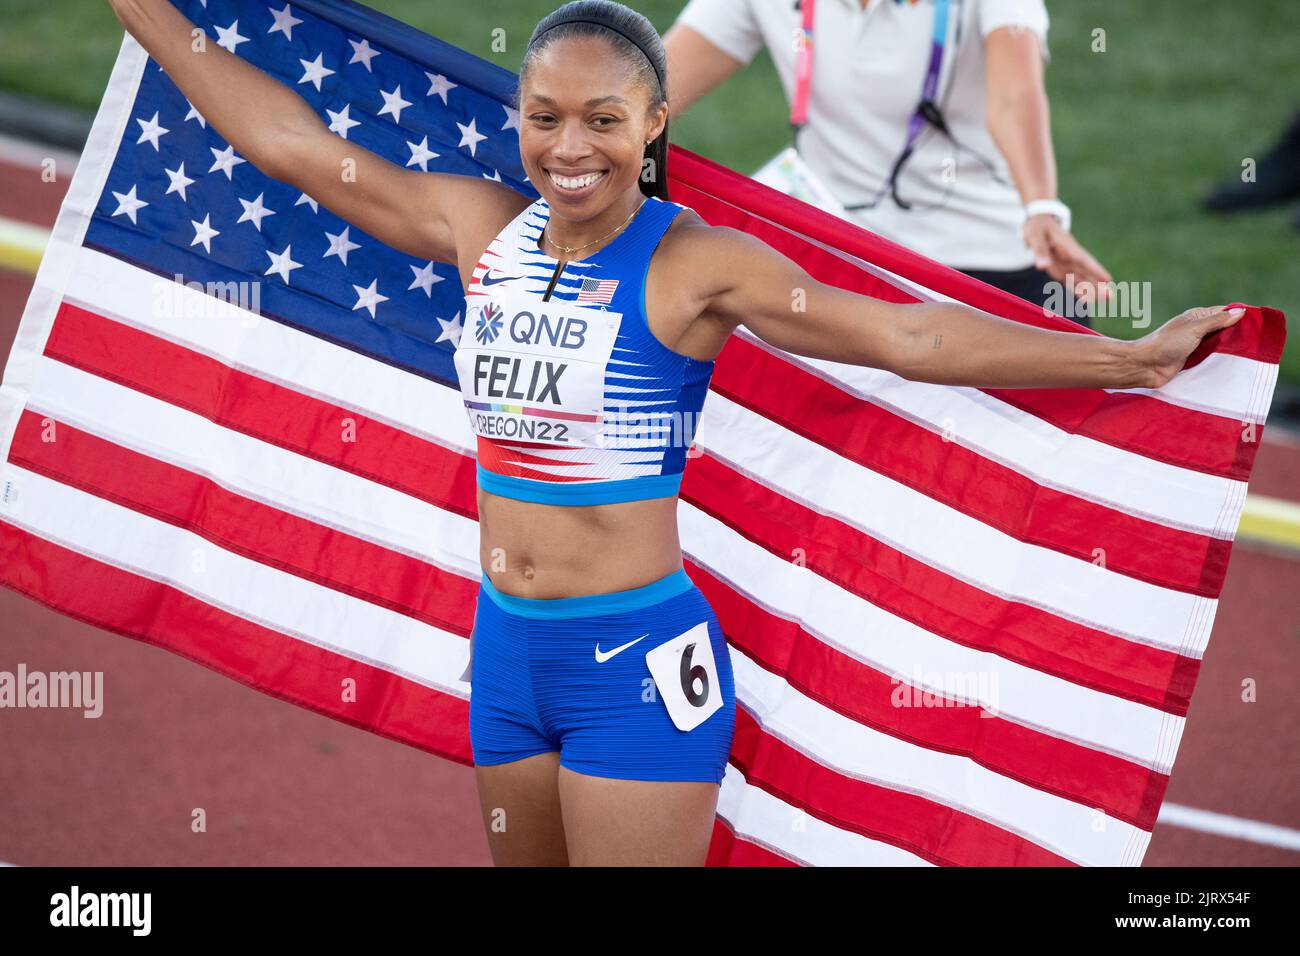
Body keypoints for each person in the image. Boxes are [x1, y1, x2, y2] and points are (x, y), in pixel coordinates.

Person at [106, 0, 1242, 866]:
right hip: (506, 655)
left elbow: (907, 339)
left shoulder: (694, 265)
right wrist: (148, 14)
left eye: (604, 120)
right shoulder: (476, 225)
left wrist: (1123, 358)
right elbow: (294, 149)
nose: (570, 147)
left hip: (633, 669)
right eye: (544, 116)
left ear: (654, 121)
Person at [664, 0, 1112, 323]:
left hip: (989, 261)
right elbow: (652, 90)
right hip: (839, 263)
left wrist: (1041, 208)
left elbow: (1014, 96)